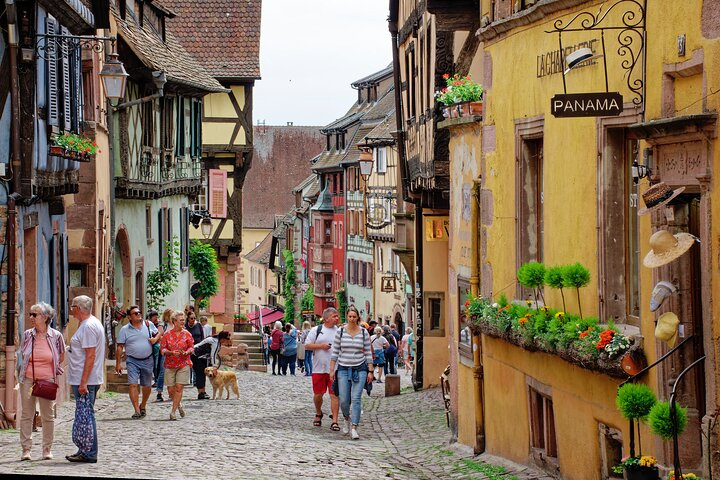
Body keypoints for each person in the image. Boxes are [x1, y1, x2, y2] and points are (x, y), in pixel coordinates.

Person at [18, 302, 65, 461]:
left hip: (47, 381)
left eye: (34, 314)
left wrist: (53, 371)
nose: (31, 317)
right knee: (26, 415)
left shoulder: (56, 336)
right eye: (30, 314)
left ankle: (46, 449)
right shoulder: (27, 335)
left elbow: (61, 356)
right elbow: (23, 356)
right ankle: (26, 450)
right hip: (29, 379)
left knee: (48, 416)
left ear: (45, 317)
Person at [66, 295, 105, 463]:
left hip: (86, 380)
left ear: (79, 308)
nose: (71, 309)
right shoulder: (88, 324)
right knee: (84, 416)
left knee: (87, 417)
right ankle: (84, 450)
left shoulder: (88, 326)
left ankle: (89, 453)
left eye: (73, 306)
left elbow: (90, 356)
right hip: (86, 378)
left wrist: (83, 383)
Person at [329, 305, 373, 440]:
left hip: (360, 368)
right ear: (347, 317)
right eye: (350, 316)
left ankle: (354, 427)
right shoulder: (340, 332)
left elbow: (368, 352)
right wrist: (332, 369)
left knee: (356, 398)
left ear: (358, 317)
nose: (352, 319)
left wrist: (370, 370)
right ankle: (346, 418)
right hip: (343, 368)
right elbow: (335, 351)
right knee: (344, 399)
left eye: (354, 317)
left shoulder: (364, 332)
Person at [115, 305, 161, 419]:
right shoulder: (124, 330)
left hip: (148, 359)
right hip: (132, 360)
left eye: (139, 312)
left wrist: (155, 339)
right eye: (135, 313)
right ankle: (136, 410)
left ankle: (143, 405)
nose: (139, 314)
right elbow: (120, 347)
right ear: (130, 317)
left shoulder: (148, 324)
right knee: (133, 385)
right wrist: (118, 363)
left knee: (147, 386)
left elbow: (160, 331)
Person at [304, 308, 340, 430]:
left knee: (334, 394)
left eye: (337, 316)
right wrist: (321, 346)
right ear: (326, 318)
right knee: (318, 394)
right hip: (318, 368)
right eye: (334, 316)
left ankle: (335, 420)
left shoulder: (339, 331)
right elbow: (307, 345)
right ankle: (318, 412)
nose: (337, 318)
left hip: (335, 368)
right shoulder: (317, 330)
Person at [161, 310, 194, 420]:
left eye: (183, 320)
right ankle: (178, 404)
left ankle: (173, 412)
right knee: (171, 390)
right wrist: (170, 352)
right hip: (170, 364)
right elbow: (162, 349)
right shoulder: (167, 335)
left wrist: (187, 352)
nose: (183, 322)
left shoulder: (187, 334)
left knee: (179, 388)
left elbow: (191, 347)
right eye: (181, 320)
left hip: (183, 363)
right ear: (174, 321)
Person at [185, 312, 208, 399]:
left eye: (194, 318)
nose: (193, 320)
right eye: (191, 318)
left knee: (201, 371)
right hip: (188, 351)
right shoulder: (185, 327)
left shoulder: (198, 325)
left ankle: (202, 392)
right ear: (188, 318)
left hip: (199, 351)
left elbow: (202, 338)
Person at [155, 309, 173, 402]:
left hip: (174, 352)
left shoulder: (175, 325)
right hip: (165, 351)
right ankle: (159, 392)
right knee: (163, 371)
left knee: (172, 372)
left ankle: (171, 393)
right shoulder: (163, 325)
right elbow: (159, 337)